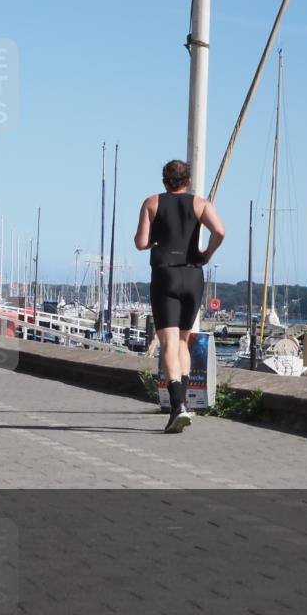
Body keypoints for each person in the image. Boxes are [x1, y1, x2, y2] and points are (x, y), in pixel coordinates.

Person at [134, 159, 224, 433]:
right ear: (188, 181)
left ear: (164, 181)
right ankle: (183, 403)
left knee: (169, 342)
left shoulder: (152, 202)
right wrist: (206, 254)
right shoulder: (201, 204)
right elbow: (219, 231)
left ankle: (177, 407)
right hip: (192, 275)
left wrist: (155, 240)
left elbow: (140, 243)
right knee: (184, 340)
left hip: (165, 274)